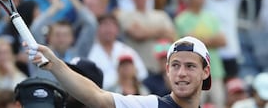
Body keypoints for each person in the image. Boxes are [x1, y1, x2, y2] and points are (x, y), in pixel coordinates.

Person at [27, 36, 212, 108]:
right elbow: (96, 96)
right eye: (175, 65)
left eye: (190, 66)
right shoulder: (151, 105)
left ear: (205, 72)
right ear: (167, 70)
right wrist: (56, 66)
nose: (181, 73)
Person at [87, 13, 147, 91]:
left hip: (127, 94)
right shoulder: (91, 52)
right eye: (105, 25)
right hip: (101, 95)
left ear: (117, 30)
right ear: (98, 29)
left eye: (112, 25)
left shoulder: (126, 50)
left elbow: (142, 74)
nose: (108, 29)